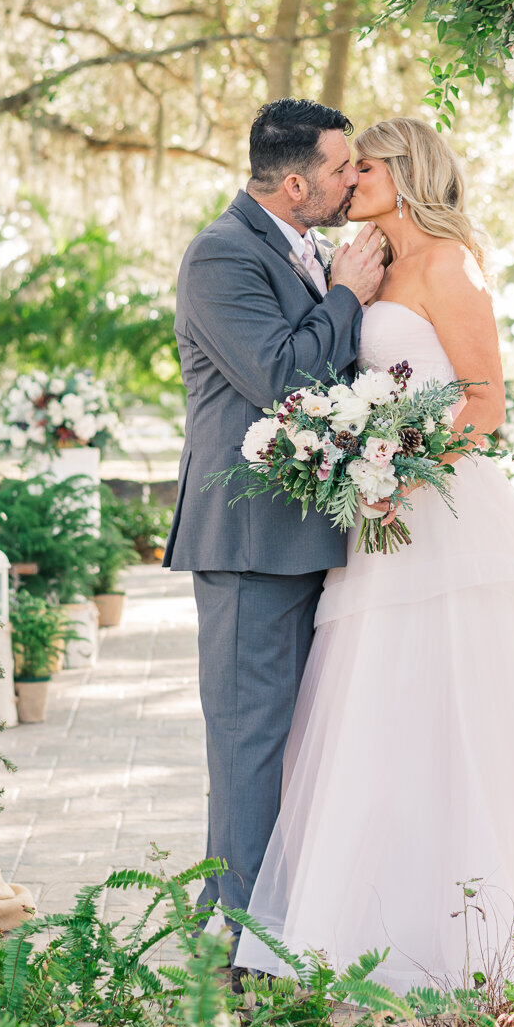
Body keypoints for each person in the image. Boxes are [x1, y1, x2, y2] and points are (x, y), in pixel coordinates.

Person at [234, 116, 514, 993]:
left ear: (403, 174)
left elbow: (485, 405)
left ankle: (500, 924)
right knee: (383, 714)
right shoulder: (364, 270)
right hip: (378, 526)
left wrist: (400, 471)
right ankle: (386, 922)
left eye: (362, 167)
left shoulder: (450, 261)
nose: (349, 181)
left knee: (473, 713)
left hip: (442, 514)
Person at [164, 98, 385, 949]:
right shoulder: (220, 257)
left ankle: (257, 924)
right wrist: (345, 296)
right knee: (251, 744)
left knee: (286, 745)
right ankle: (240, 937)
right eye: (339, 168)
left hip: (301, 537)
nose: (351, 178)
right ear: (294, 183)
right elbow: (284, 376)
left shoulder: (306, 247)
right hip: (250, 539)